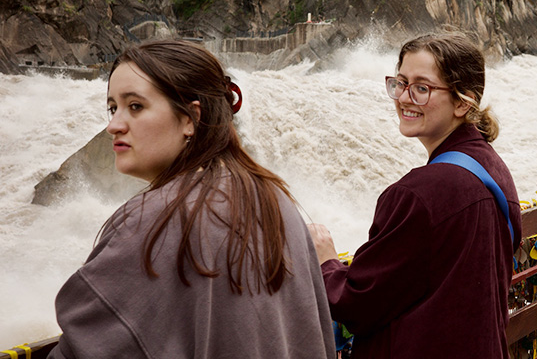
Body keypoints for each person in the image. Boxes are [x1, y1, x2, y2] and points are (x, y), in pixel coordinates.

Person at [48, 40, 335, 359]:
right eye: (112, 107)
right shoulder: (274, 196)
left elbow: (84, 346)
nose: (114, 125)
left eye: (135, 106)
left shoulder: (152, 220)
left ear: (190, 118)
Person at [308, 33, 522, 359]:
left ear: (463, 102)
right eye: (401, 82)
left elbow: (357, 303)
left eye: (422, 88)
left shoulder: (417, 195)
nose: (404, 98)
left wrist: (326, 263)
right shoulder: (494, 168)